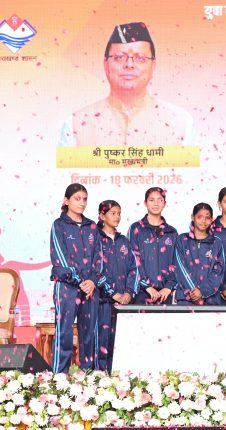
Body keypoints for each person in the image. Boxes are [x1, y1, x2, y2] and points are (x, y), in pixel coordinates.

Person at [60, 22, 194, 147]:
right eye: (119, 57)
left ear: (153, 66)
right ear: (106, 64)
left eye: (140, 58)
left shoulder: (181, 123)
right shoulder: (75, 125)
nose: (129, 65)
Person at [49, 183, 103, 373]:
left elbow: (99, 258)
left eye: (84, 199)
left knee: (89, 334)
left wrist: (92, 281)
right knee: (64, 332)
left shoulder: (92, 226)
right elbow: (60, 258)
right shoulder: (59, 225)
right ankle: (59, 376)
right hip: (67, 287)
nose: (82, 203)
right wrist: (80, 281)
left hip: (90, 288)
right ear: (66, 201)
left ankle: (88, 376)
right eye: (77, 199)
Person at [94, 200, 138, 372]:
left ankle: (117, 380)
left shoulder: (124, 241)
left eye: (119, 213)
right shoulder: (95, 239)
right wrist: (112, 293)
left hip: (123, 303)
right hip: (102, 302)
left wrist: (129, 292)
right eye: (113, 213)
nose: (117, 217)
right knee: (101, 343)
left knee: (120, 343)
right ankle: (99, 378)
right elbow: (94, 270)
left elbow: (134, 269)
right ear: (102, 216)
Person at [128, 187, 178, 305]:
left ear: (164, 203)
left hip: (166, 294)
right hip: (142, 292)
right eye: (151, 200)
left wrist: (169, 287)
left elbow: (177, 263)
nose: (156, 203)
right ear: (145, 203)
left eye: (159, 200)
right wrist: (147, 286)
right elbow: (133, 259)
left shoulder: (172, 232)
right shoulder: (136, 229)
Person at [174, 203, 225, 305]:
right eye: (200, 217)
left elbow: (218, 271)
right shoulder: (182, 240)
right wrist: (194, 291)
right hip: (186, 298)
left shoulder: (216, 243)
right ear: (193, 217)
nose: (203, 221)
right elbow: (179, 267)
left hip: (211, 299)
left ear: (211, 219)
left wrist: (202, 291)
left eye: (207, 218)